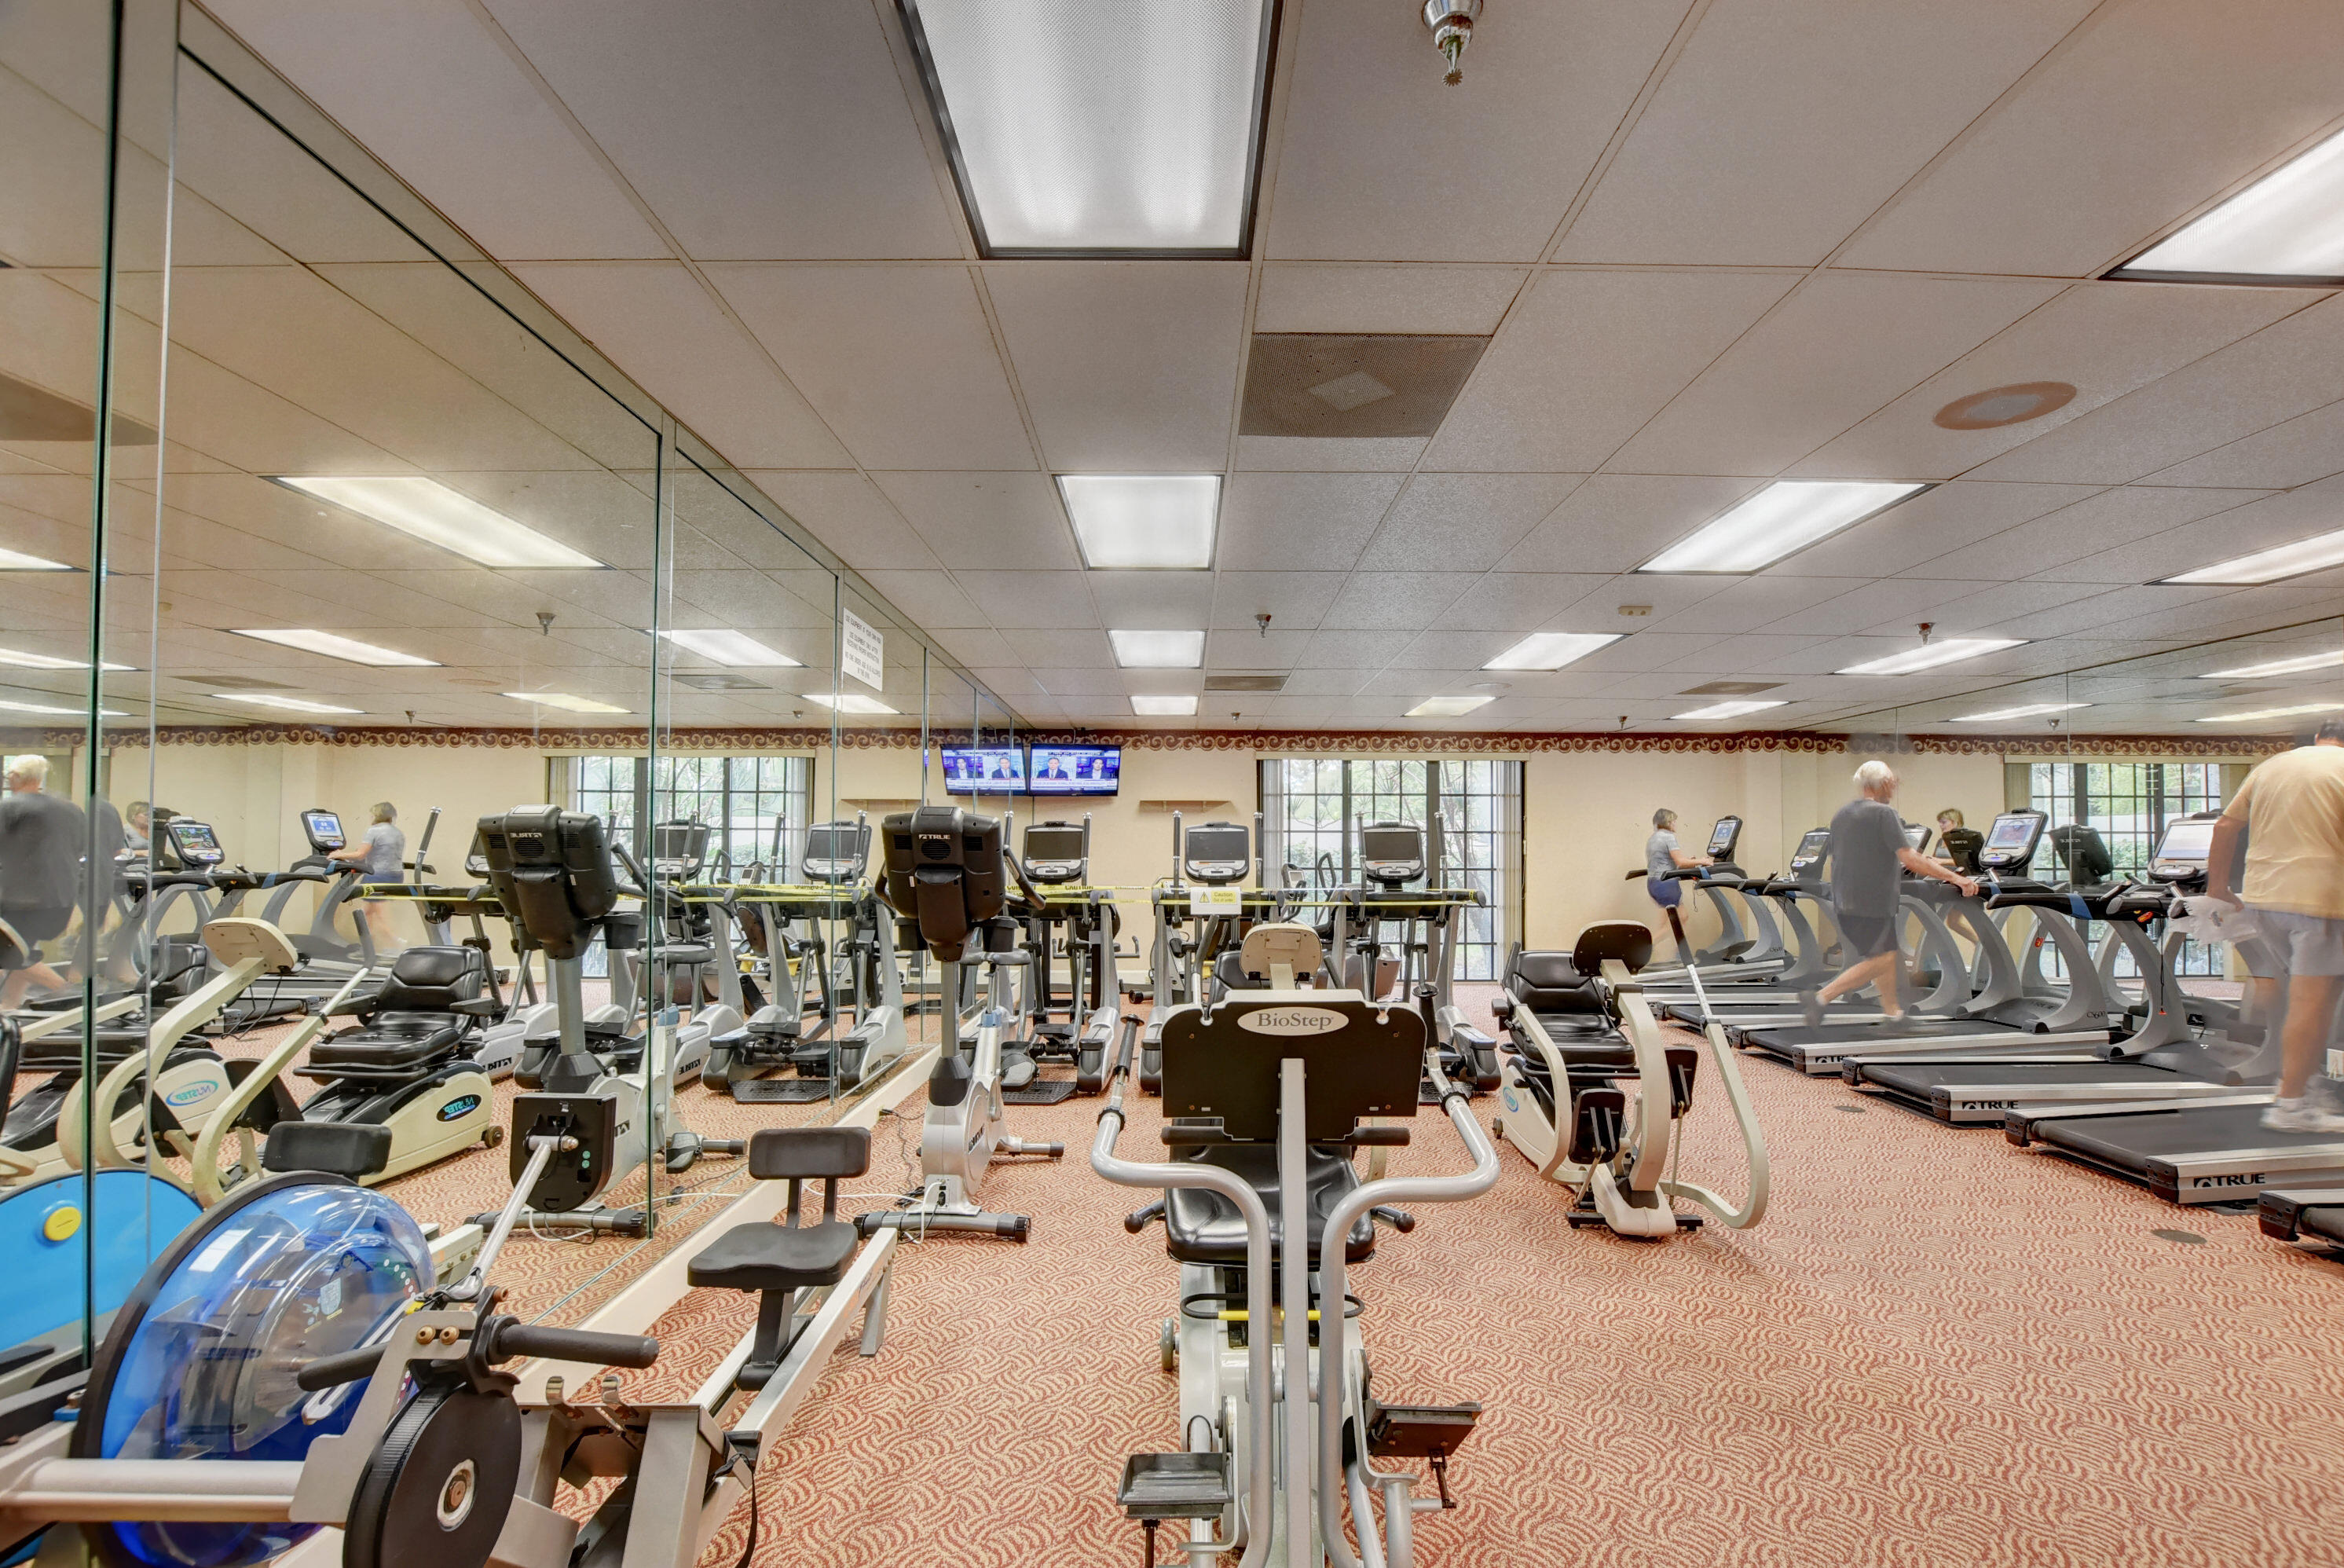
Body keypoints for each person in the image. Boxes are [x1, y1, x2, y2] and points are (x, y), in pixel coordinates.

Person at [2207, 716, 2344, 1132]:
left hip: (2265, 899)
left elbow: (2226, 826)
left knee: (2309, 995)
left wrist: (2217, 889)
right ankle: (2291, 1103)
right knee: (2313, 1002)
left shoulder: (2272, 766)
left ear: (2319, 737)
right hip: (2320, 899)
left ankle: (2306, 1080)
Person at [1804, 761, 1978, 1025]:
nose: (1893, 789)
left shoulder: (1842, 814)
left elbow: (1842, 857)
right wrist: (1957, 878)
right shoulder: (1884, 814)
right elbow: (1909, 858)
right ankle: (1820, 998)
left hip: (1845, 898)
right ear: (1882, 784)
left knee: (1886, 954)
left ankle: (1892, 1012)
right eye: (1891, 784)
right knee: (1882, 959)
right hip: (1871, 902)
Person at [0, 756, 90, 1008]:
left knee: (10, 955)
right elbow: (80, 848)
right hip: (61, 902)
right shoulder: (70, 809)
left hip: (21, 902)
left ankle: (70, 995)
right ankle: (10, 1006)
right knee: (22, 948)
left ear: (15, 777)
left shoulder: (9, 807)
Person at [330, 800, 406, 951]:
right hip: (396, 875)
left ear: (376, 815)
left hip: (378, 876)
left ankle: (396, 943)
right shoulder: (398, 833)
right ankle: (368, 947)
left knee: (379, 913)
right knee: (367, 914)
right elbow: (382, 854)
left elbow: (360, 854)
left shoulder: (374, 831)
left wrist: (339, 854)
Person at [1643, 808, 1710, 958]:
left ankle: (1670, 956)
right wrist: (1702, 861)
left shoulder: (1653, 838)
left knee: (1666, 922)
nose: (1675, 824)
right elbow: (1680, 862)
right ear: (1667, 822)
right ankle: (1649, 947)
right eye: (1673, 821)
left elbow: (1666, 862)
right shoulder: (1668, 837)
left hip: (1654, 884)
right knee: (1679, 920)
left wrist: (1691, 861)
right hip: (1667, 884)